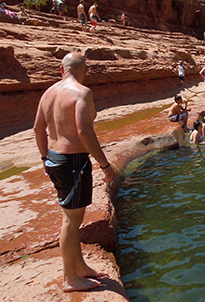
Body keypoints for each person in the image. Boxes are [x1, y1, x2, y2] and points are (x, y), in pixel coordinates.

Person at [33, 52, 115, 293]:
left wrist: (45, 159)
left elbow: (38, 128)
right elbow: (85, 132)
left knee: (71, 217)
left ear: (62, 68)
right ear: (85, 71)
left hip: (55, 158)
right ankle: (70, 278)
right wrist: (104, 164)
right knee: (71, 221)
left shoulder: (48, 93)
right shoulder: (82, 93)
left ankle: (80, 266)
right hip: (74, 162)